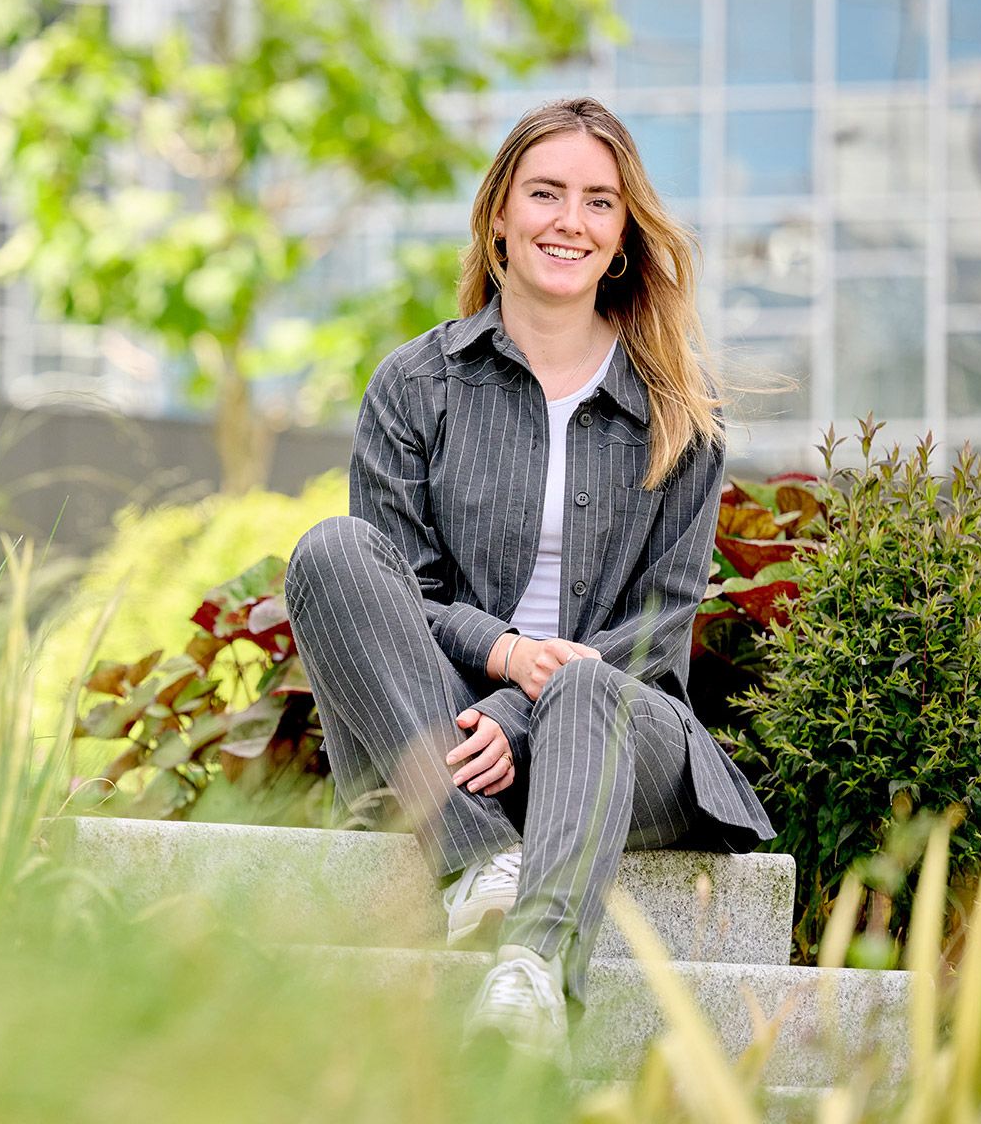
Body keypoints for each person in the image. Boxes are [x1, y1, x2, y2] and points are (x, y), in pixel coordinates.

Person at [282, 96, 774, 1062]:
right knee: (331, 552)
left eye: (599, 202)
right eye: (546, 193)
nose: (569, 221)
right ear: (499, 213)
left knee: (589, 683)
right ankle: (481, 857)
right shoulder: (416, 386)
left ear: (625, 234)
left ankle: (533, 978)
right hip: (446, 737)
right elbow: (400, 594)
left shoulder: (681, 417)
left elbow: (654, 637)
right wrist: (499, 660)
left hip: (621, 735)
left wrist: (520, 715)